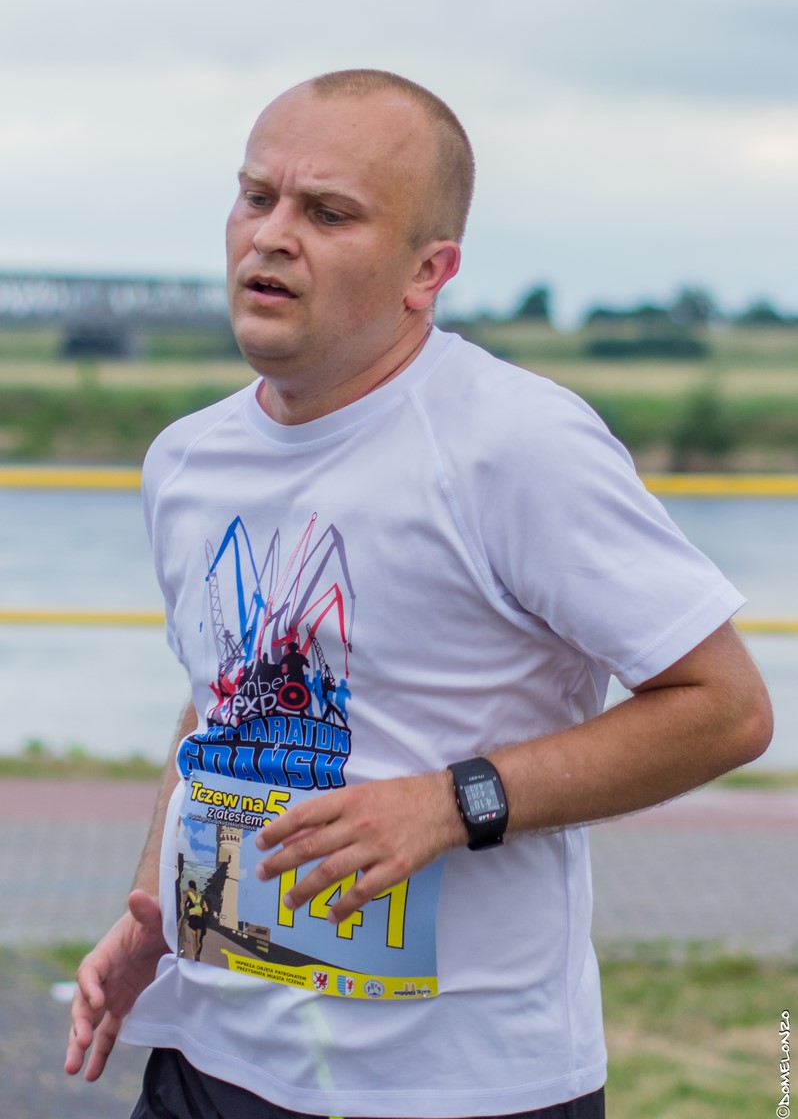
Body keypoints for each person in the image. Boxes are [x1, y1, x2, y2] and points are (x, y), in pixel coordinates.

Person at [64, 69, 772, 1119]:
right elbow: (217, 702)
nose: (272, 235)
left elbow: (726, 709)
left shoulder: (516, 443)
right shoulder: (185, 459)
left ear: (427, 271)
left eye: (328, 213)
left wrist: (450, 804)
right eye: (257, 197)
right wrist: (159, 916)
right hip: (212, 1061)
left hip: (461, 1084)